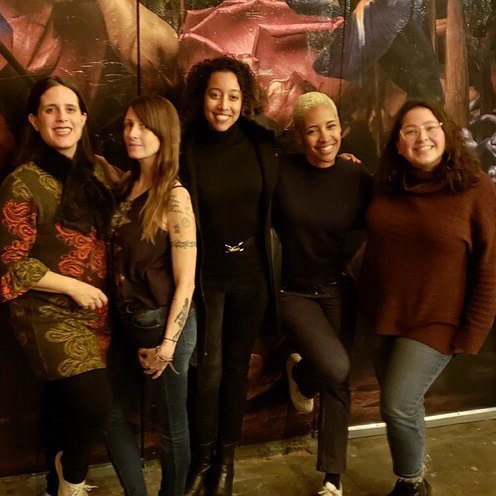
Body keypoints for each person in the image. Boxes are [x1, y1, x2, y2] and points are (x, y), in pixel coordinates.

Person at [359, 100, 496, 496]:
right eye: (410, 130)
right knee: (404, 403)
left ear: (446, 133)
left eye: (430, 127)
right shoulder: (386, 184)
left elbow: (489, 265)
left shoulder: (476, 188)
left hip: (437, 320)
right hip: (383, 314)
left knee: (397, 404)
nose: (422, 137)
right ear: (398, 144)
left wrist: (474, 330)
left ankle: (411, 484)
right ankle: (416, 468)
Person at [0, 76, 114, 496]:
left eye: (69, 109)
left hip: (97, 310)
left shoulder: (99, 172)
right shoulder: (22, 182)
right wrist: (72, 287)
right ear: (34, 121)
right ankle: (72, 478)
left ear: (83, 118)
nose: (61, 118)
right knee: (94, 404)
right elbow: (12, 263)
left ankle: (55, 482)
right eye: (50, 110)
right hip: (44, 310)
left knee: (64, 405)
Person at [181, 56, 279, 496]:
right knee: (208, 371)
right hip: (206, 279)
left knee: (238, 371)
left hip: (252, 276)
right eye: (215, 95)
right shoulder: (185, 145)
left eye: (234, 97)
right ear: (202, 96)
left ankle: (226, 461)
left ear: (246, 101)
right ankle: (201, 460)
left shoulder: (262, 141)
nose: (224, 105)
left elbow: (302, 162)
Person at [272, 92, 372, 496]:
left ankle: (333, 478)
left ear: (341, 128)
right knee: (335, 365)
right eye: (312, 130)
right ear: (299, 136)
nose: (325, 137)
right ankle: (302, 373)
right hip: (292, 292)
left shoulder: (356, 177)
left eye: (331, 127)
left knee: (338, 380)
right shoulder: (281, 171)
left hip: (336, 288)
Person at [104, 95, 197, 496]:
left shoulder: (174, 196)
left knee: (171, 426)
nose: (132, 133)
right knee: (106, 412)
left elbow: (186, 280)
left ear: (164, 132)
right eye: (128, 124)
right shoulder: (127, 185)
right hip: (128, 320)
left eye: (143, 126)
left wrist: (168, 346)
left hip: (164, 324)